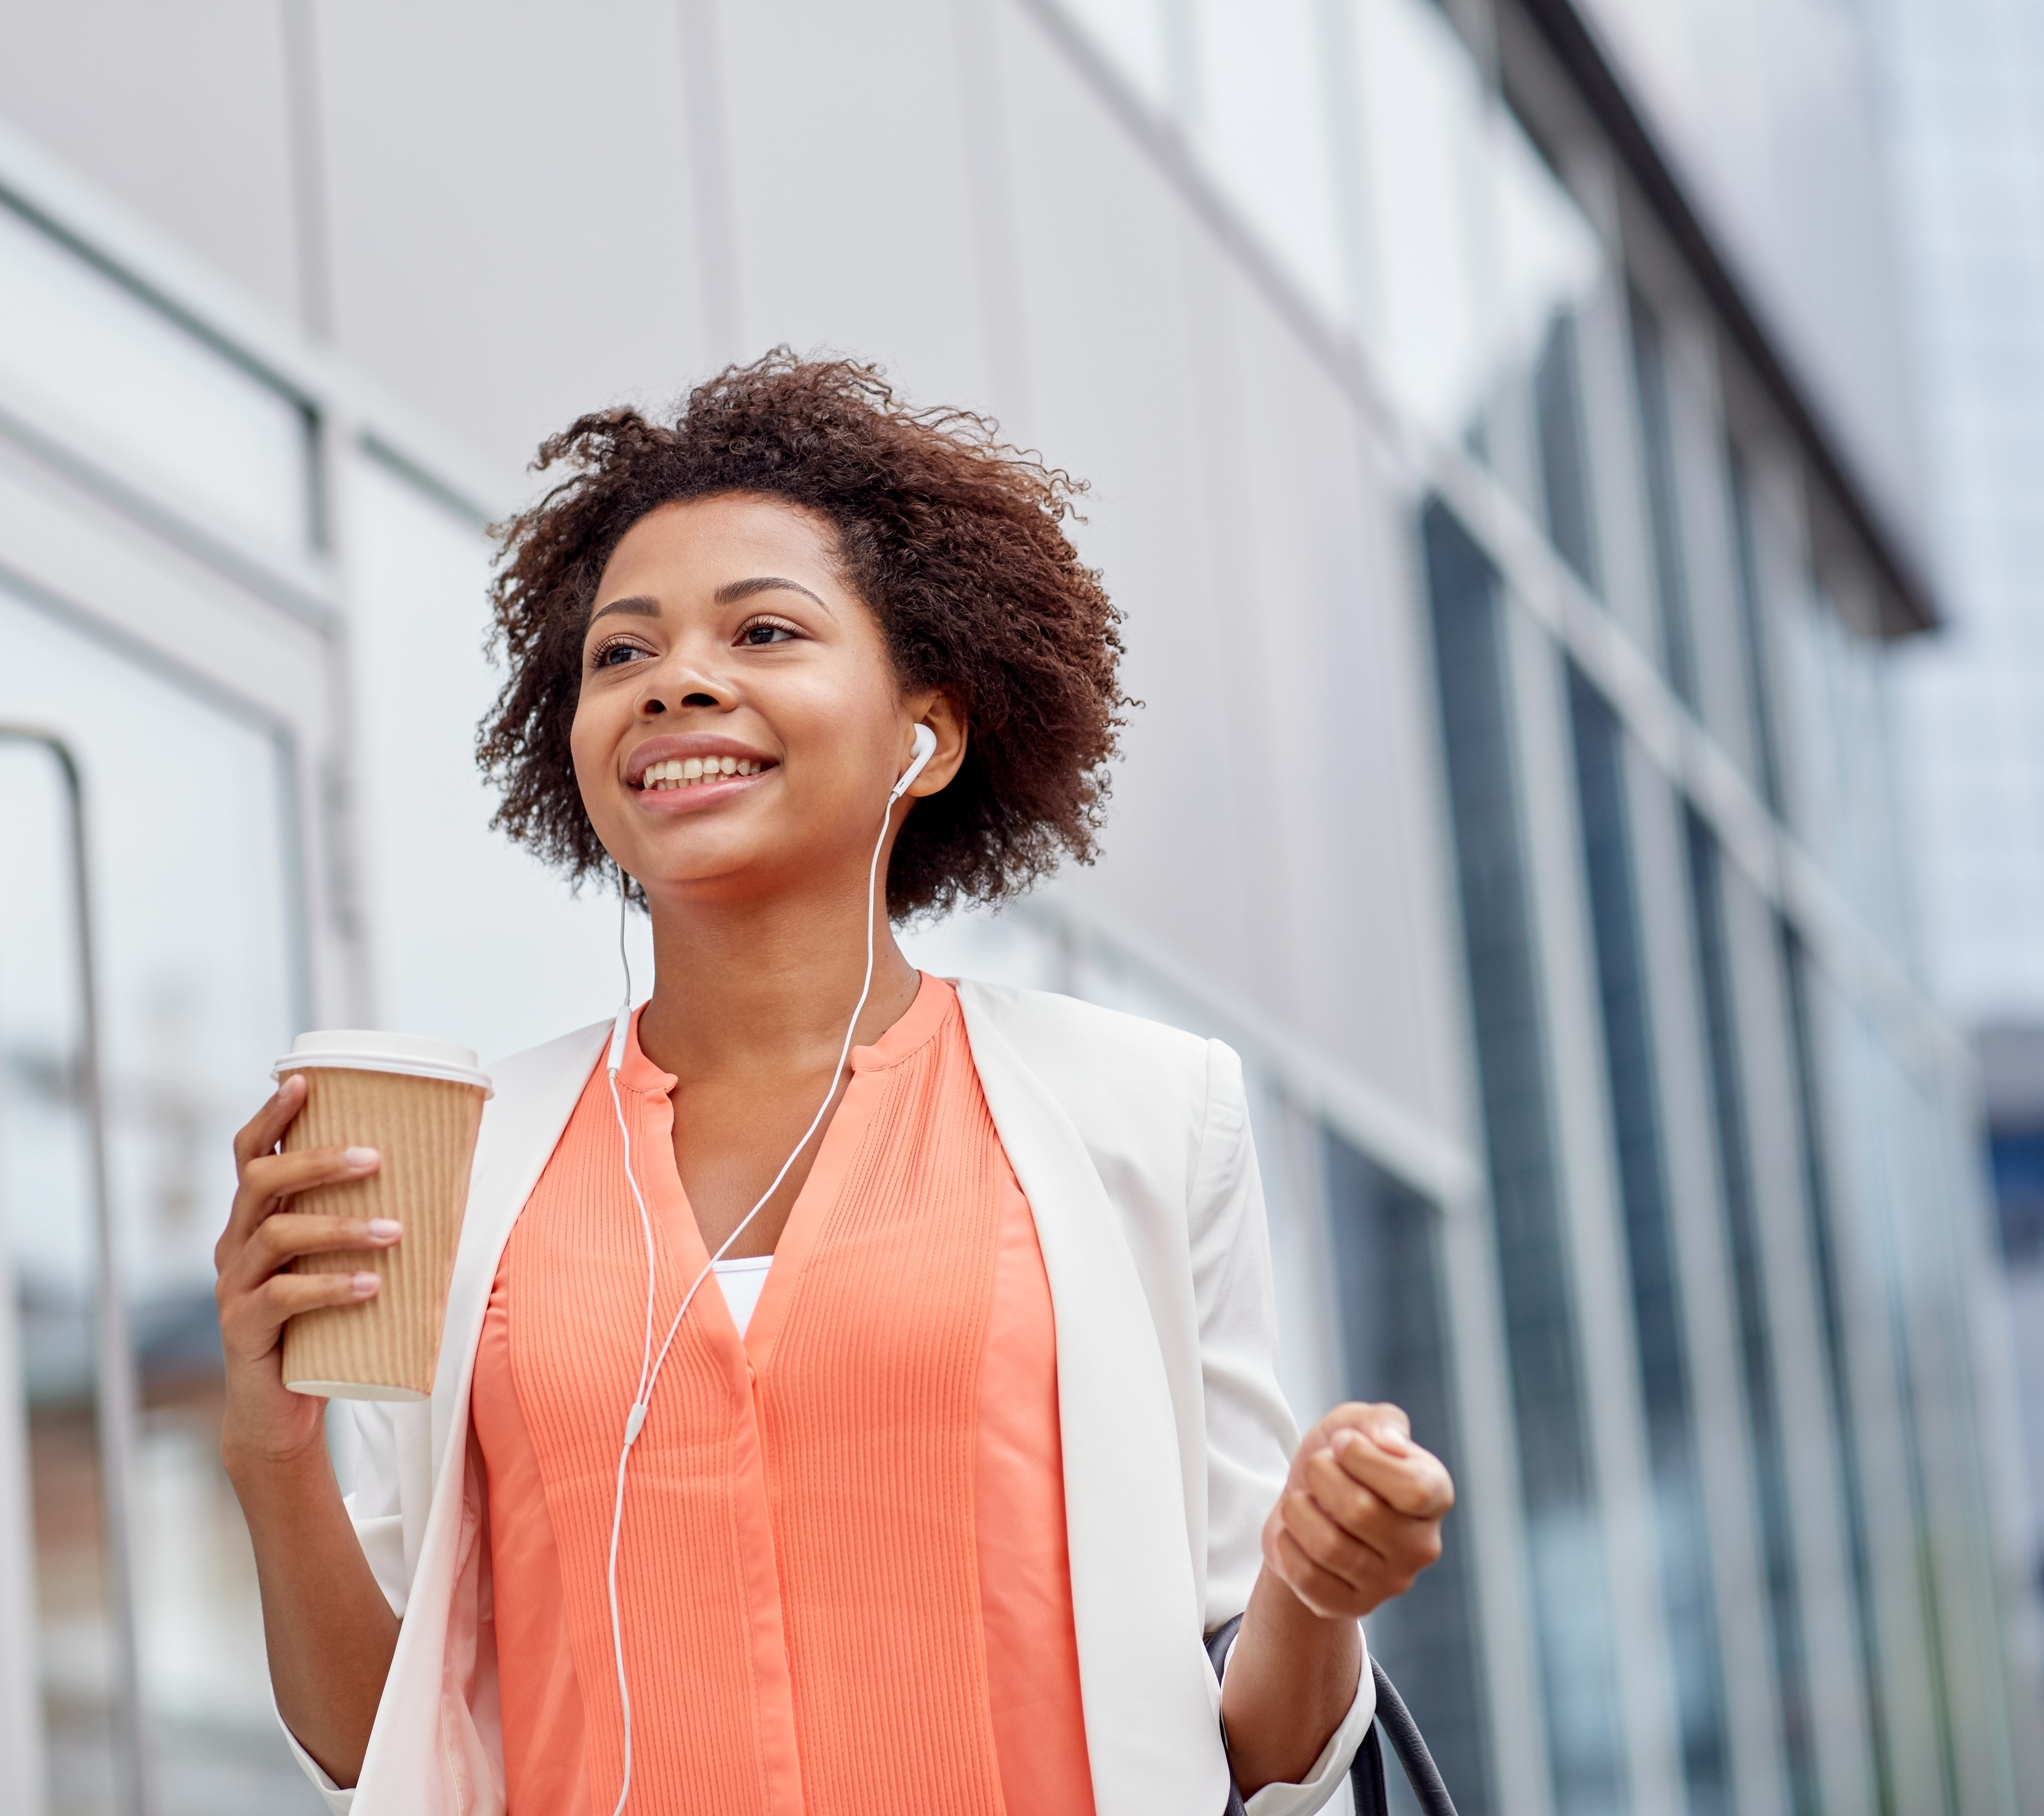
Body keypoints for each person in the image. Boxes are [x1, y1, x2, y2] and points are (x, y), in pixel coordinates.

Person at [214, 356, 1456, 1816]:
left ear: (926, 733)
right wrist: (270, 1448)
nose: (677, 678)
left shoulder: (1142, 1114)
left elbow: (1252, 1746)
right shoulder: (469, 1166)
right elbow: (388, 1753)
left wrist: (1313, 1589)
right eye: (622, 654)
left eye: (764, 629)